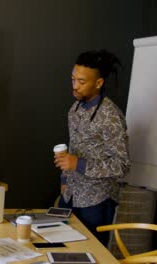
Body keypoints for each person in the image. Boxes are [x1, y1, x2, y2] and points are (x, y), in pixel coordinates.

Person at [54, 49, 130, 246]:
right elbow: (73, 146)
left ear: (99, 83)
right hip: (70, 194)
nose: (75, 86)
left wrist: (78, 163)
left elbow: (122, 166)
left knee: (91, 254)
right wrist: (64, 177)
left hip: (97, 201)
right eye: (73, 79)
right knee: (61, 248)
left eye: (81, 81)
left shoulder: (110, 116)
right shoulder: (75, 109)